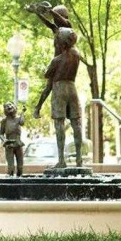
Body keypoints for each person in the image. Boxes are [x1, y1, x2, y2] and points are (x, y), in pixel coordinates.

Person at [33, 27, 83, 168]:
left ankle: (61, 160)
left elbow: (46, 75)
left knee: (59, 124)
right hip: (72, 88)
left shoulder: (57, 60)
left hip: (59, 89)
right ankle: (79, 159)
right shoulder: (77, 55)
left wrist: (38, 107)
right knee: (76, 123)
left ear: (61, 43)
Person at [0, 101, 25, 177]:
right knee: (11, 167)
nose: (9, 107)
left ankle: (20, 180)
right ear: (5, 109)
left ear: (14, 107)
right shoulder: (4, 121)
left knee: (20, 167)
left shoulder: (18, 119)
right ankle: (10, 179)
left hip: (18, 143)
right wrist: (4, 140)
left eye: (10, 105)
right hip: (9, 145)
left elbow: (22, 122)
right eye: (7, 106)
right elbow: (0, 134)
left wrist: (22, 112)